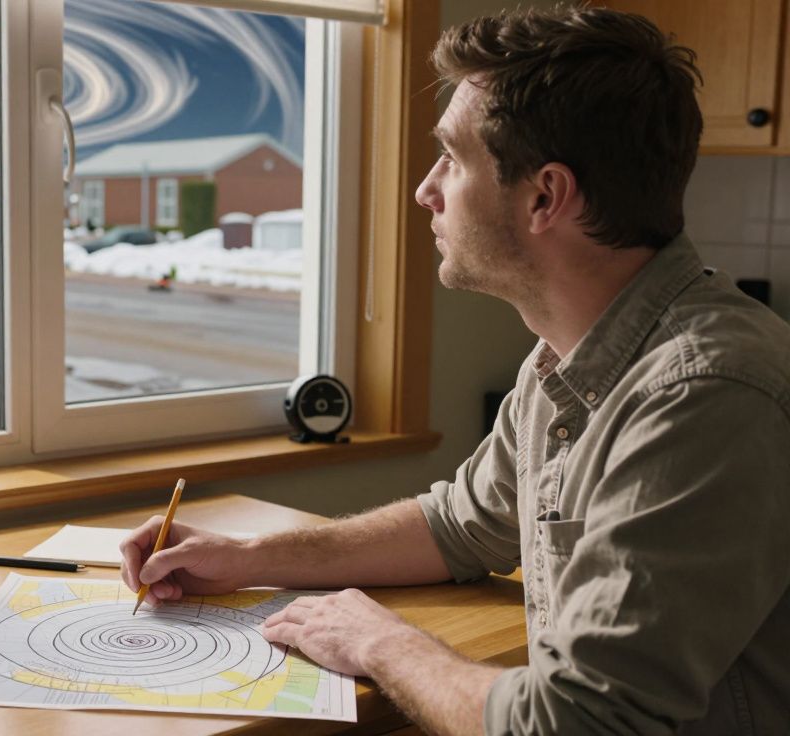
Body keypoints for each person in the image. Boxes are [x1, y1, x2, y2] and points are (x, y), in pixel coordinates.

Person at [120, 6, 790, 735]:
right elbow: (458, 526)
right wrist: (247, 557)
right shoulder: (565, 359)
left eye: (452, 158)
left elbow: (578, 724)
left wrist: (381, 643)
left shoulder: (704, 396)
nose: (425, 190)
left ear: (545, 197)